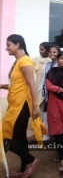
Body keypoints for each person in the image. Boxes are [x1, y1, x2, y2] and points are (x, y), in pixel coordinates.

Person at [1, 34, 43, 177]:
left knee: (6, 137)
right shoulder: (18, 61)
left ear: (17, 45)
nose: (7, 48)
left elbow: (32, 84)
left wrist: (36, 106)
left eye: (9, 45)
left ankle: (31, 160)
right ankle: (23, 168)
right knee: (19, 138)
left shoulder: (25, 61)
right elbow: (17, 85)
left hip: (21, 106)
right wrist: (2, 86)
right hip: (15, 104)